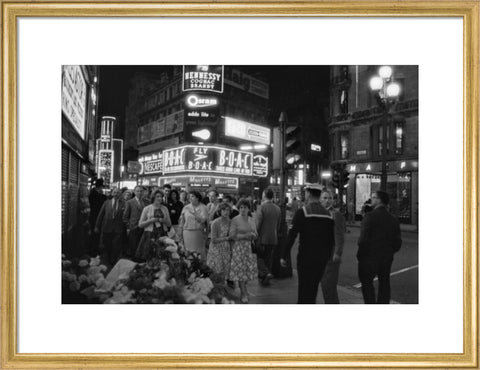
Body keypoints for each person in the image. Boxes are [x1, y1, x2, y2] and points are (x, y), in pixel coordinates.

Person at [281, 183, 335, 304]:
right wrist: (327, 257)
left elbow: (292, 235)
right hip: (321, 259)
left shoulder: (303, 212)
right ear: (319, 195)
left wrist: (284, 256)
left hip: (306, 258)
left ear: (309, 194)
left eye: (305, 193)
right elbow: (331, 240)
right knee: (314, 288)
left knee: (304, 289)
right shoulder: (328, 215)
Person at [357, 190, 402, 304]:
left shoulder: (369, 216)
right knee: (384, 283)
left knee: (367, 283)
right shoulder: (393, 219)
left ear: (379, 200)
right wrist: (390, 251)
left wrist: (360, 255)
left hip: (369, 257)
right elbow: (397, 241)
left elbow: (363, 239)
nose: (371, 199)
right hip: (386, 257)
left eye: (373, 197)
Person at [228, 199, 258, 303]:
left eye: (245, 207)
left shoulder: (251, 220)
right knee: (240, 272)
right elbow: (232, 235)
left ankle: (243, 289)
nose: (243, 209)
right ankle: (244, 293)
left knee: (246, 272)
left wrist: (253, 236)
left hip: (248, 248)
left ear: (248, 209)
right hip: (238, 248)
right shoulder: (235, 220)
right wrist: (245, 236)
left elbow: (255, 233)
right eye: (241, 207)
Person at [319, 190, 346, 303]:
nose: (327, 200)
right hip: (320, 254)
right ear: (320, 199)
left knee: (328, 285)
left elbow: (339, 235)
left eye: (329, 198)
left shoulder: (336, 214)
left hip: (331, 254)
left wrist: (337, 252)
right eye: (324, 198)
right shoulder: (319, 213)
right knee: (324, 285)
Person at [136, 190, 172, 261]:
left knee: (163, 257)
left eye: (161, 197)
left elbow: (169, 224)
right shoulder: (147, 208)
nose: (160, 198)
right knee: (150, 257)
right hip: (149, 235)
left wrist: (163, 220)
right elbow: (140, 224)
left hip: (163, 234)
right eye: (157, 196)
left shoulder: (165, 208)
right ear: (153, 197)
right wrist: (151, 221)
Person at [255, 188, 281, 286]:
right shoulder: (277, 208)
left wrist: (254, 236)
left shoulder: (261, 207)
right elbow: (278, 225)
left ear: (264, 195)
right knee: (268, 258)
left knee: (259, 258)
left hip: (262, 238)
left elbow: (257, 224)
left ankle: (265, 273)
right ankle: (265, 278)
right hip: (273, 238)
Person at [94, 187, 126, 266]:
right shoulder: (106, 203)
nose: (116, 194)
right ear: (112, 193)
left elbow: (126, 216)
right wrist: (96, 226)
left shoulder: (124, 203)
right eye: (115, 192)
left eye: (118, 192)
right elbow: (100, 215)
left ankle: (113, 260)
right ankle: (108, 258)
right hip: (107, 227)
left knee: (116, 246)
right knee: (107, 245)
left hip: (118, 229)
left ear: (120, 194)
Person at [207, 203, 233, 283]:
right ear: (220, 211)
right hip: (216, 248)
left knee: (225, 270)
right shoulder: (215, 223)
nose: (226, 212)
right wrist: (227, 238)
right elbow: (213, 240)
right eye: (224, 210)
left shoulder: (230, 222)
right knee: (217, 270)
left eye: (228, 210)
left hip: (226, 248)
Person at [179, 191, 209, 259]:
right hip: (186, 232)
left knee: (198, 252)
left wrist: (195, 214)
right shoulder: (186, 207)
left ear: (197, 198)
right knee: (188, 252)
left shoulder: (203, 207)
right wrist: (180, 233)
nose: (190, 198)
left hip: (198, 232)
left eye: (192, 196)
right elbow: (182, 221)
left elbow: (203, 220)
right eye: (189, 197)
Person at [122, 185, 146, 259]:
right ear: (135, 192)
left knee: (142, 246)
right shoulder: (130, 202)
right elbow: (125, 217)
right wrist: (129, 226)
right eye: (138, 191)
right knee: (133, 247)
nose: (140, 192)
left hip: (144, 227)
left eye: (141, 191)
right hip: (134, 228)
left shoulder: (146, 202)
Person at [88, 178, 107, 255]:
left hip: (94, 217)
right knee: (95, 234)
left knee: (95, 234)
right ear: (100, 187)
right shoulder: (96, 196)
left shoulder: (92, 195)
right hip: (95, 217)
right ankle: (93, 250)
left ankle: (94, 249)